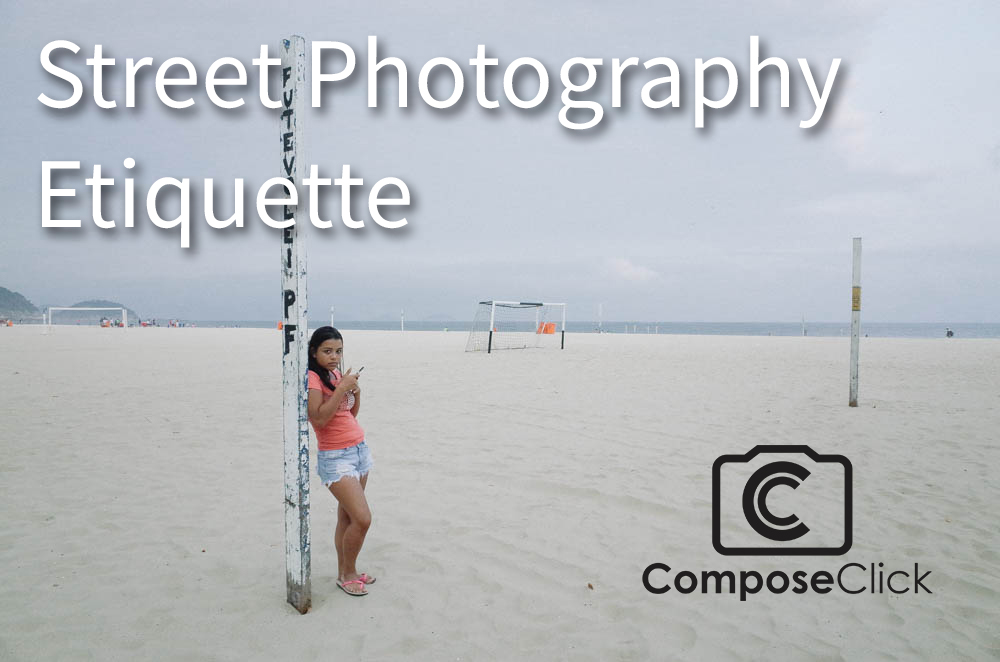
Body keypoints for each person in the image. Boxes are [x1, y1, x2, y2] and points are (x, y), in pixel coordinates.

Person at [306, 326, 375, 597]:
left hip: (359, 450)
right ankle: (346, 574)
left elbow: (350, 413)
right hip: (335, 457)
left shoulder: (334, 374)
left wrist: (355, 392)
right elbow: (320, 418)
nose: (334, 357)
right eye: (327, 351)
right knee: (363, 519)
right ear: (314, 352)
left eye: (338, 351)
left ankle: (348, 572)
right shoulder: (312, 378)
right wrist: (341, 389)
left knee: (347, 516)